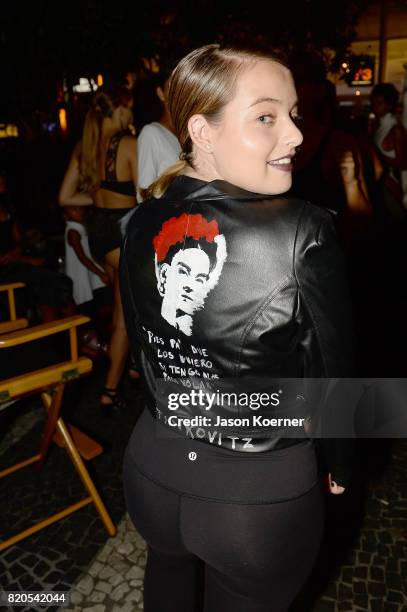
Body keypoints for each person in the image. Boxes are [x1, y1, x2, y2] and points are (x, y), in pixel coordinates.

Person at [121, 45, 353, 612]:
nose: (296, 135)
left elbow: (147, 353)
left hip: (152, 467)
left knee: (167, 582)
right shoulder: (304, 231)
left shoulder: (139, 219)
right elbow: (335, 375)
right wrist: (342, 463)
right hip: (256, 500)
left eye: (293, 115)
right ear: (202, 130)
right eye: (267, 117)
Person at [59, 84, 139, 409]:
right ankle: (110, 390)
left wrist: (95, 198)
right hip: (123, 230)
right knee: (125, 316)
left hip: (99, 233)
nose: (132, 115)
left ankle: (132, 367)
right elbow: (147, 194)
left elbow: (64, 197)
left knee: (127, 309)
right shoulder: (130, 144)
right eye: (130, 107)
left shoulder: (85, 145)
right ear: (120, 107)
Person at [135, 71, 181, 200]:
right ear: (161, 93)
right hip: (169, 218)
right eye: (172, 86)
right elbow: (143, 194)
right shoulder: (151, 133)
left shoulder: (189, 133)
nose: (178, 92)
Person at [370, 82, 407, 221]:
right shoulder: (378, 126)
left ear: (390, 105)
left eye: (379, 103)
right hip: (380, 184)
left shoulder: (396, 129)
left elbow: (403, 163)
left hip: (392, 185)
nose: (374, 106)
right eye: (373, 102)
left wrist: (377, 157)